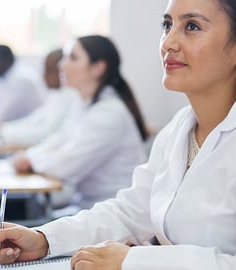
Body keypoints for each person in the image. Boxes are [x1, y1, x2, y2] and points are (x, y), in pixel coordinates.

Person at [0, 1, 236, 269]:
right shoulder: (182, 126)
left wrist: (132, 261)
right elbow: (129, 212)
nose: (169, 43)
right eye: (167, 25)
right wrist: (44, 239)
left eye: (191, 26)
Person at [10, 35, 148, 210]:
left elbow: (66, 166)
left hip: (115, 213)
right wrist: (29, 156)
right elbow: (57, 140)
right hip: (89, 207)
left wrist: (31, 161)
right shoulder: (82, 103)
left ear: (97, 68)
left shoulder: (109, 113)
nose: (62, 64)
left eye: (72, 58)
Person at [0, 49, 78, 147]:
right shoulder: (56, 94)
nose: (44, 77)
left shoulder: (70, 96)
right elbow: (33, 119)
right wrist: (3, 129)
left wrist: (3, 131)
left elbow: (45, 133)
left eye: (49, 70)